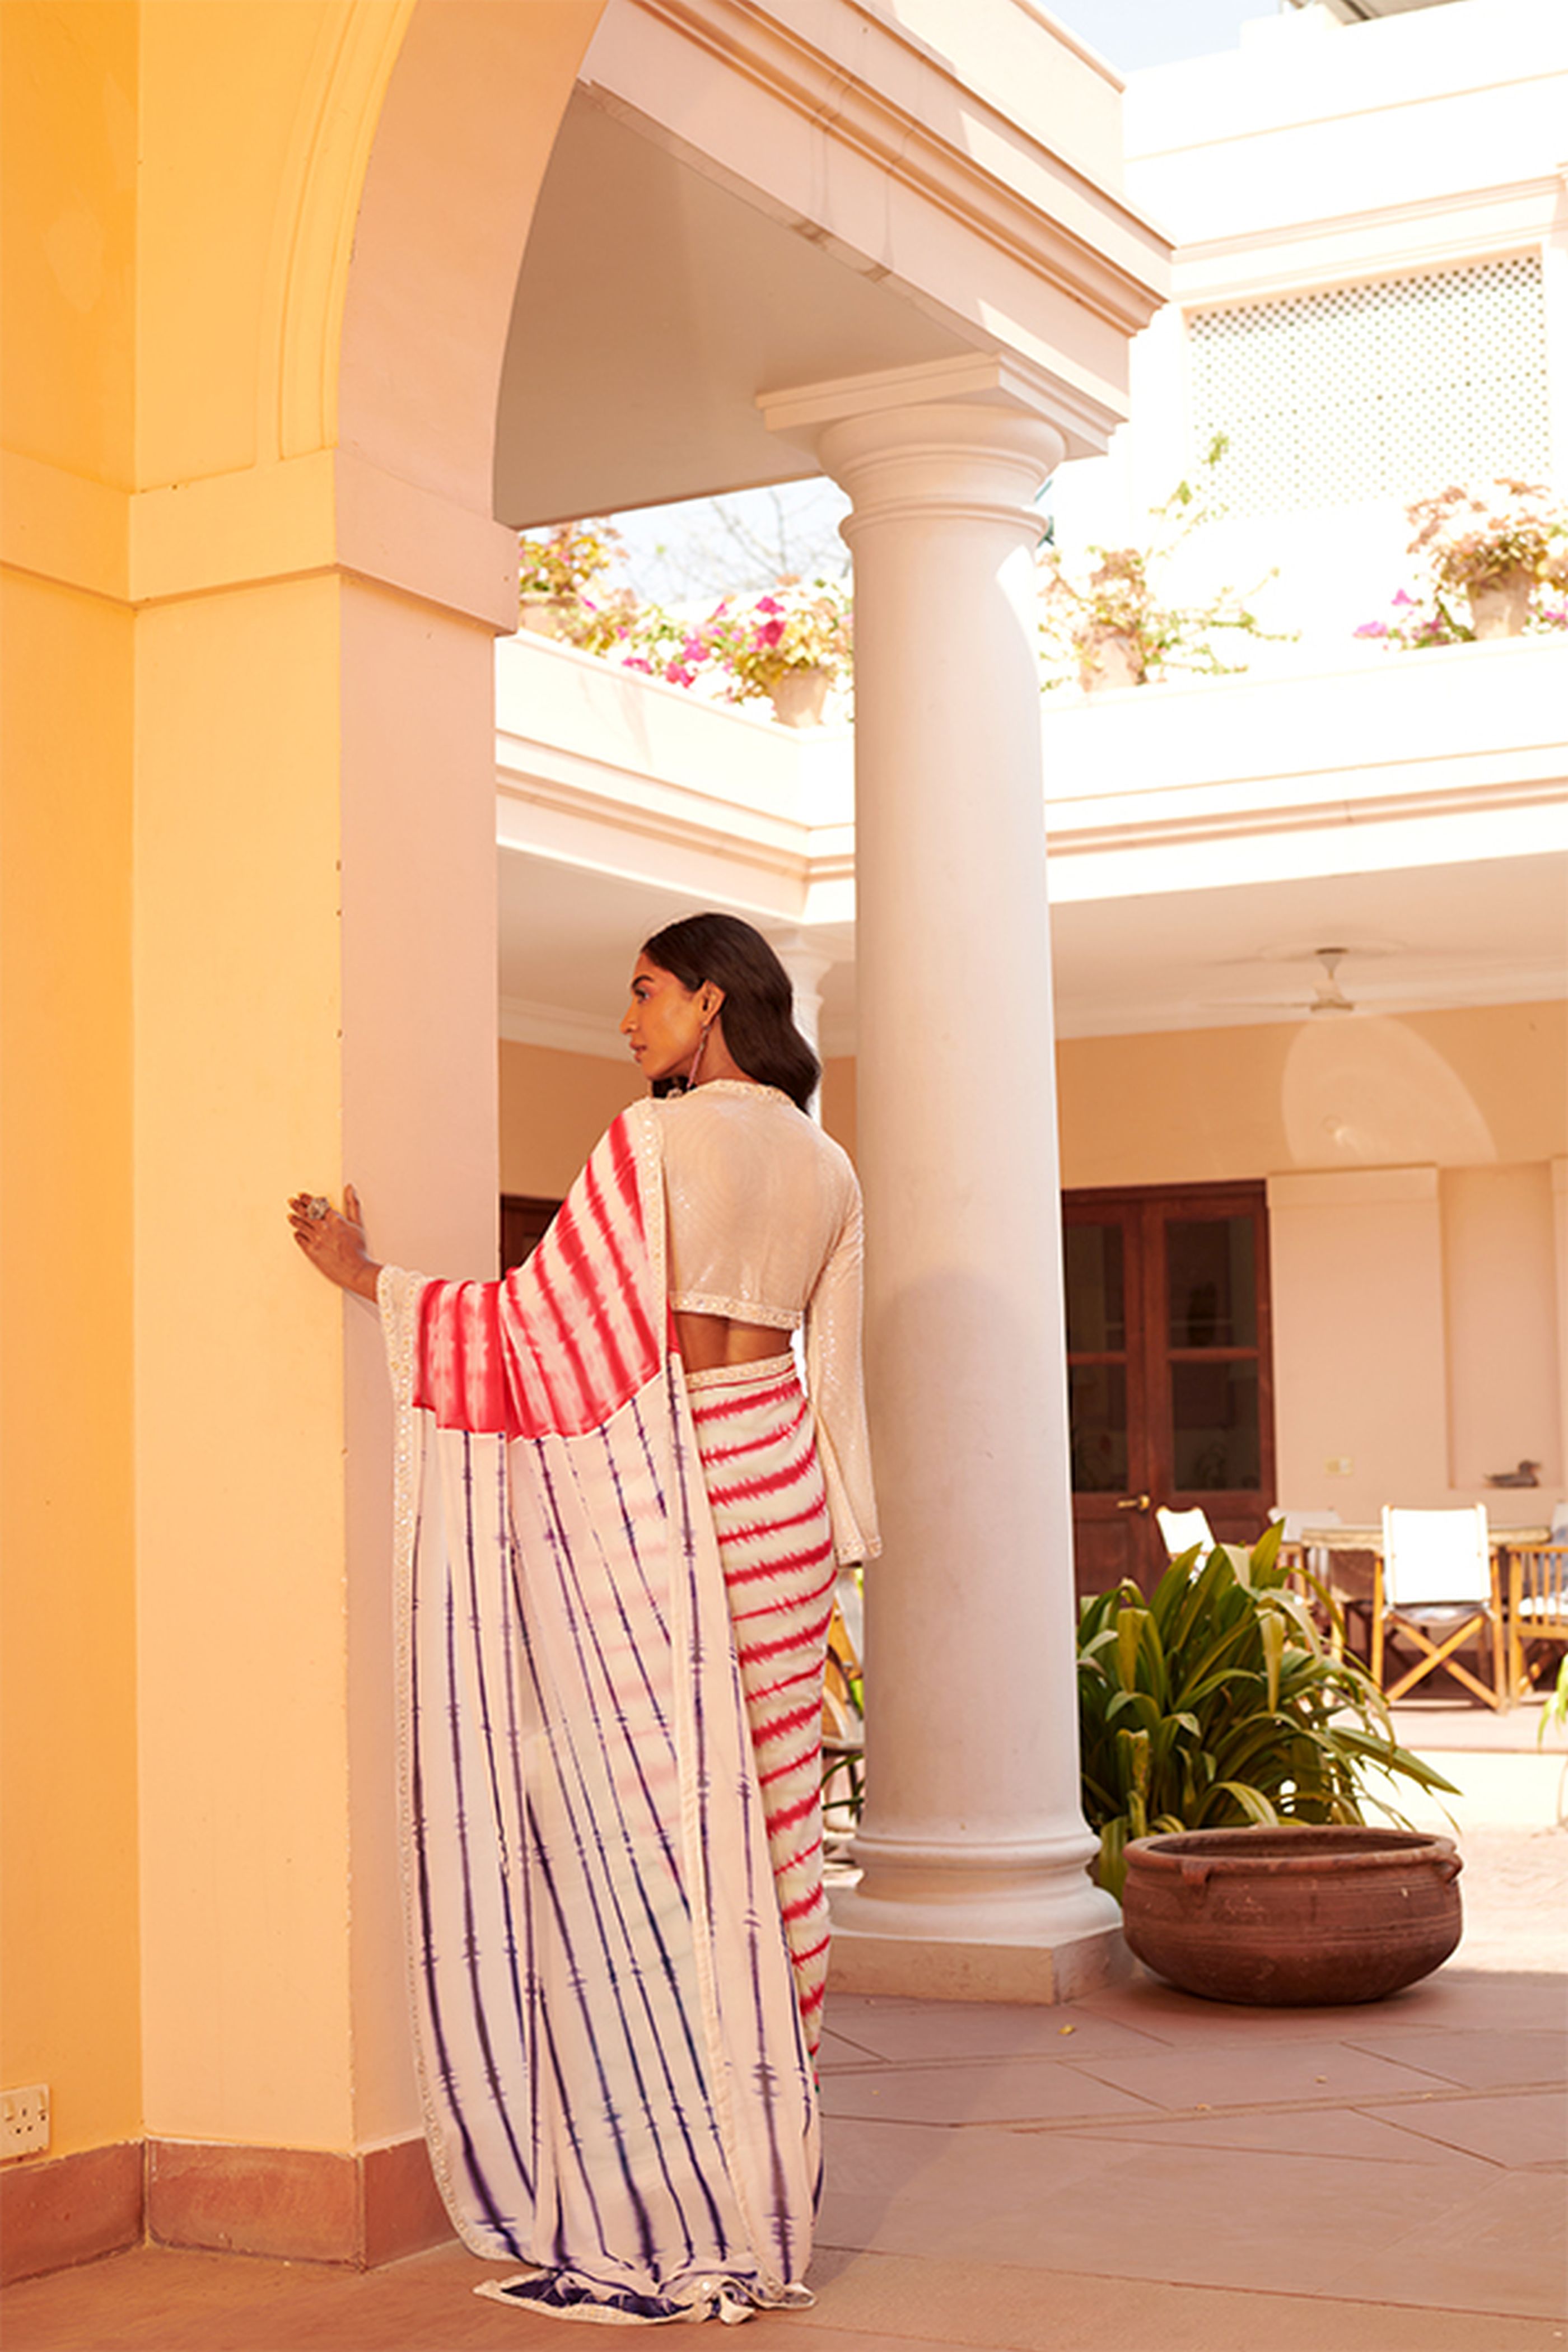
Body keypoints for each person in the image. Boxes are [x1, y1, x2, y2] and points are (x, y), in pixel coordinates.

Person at [288, 913, 877, 2327]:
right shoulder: (828, 1163)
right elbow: (836, 1385)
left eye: (642, 994)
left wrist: (370, 1277)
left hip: (672, 1505)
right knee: (770, 1844)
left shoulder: (654, 1144)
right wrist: (843, 1544)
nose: (627, 1024)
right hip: (782, 1496)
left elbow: (542, 1337)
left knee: (651, 1846)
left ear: (710, 1001)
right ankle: (763, 2205)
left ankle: (664, 2208)